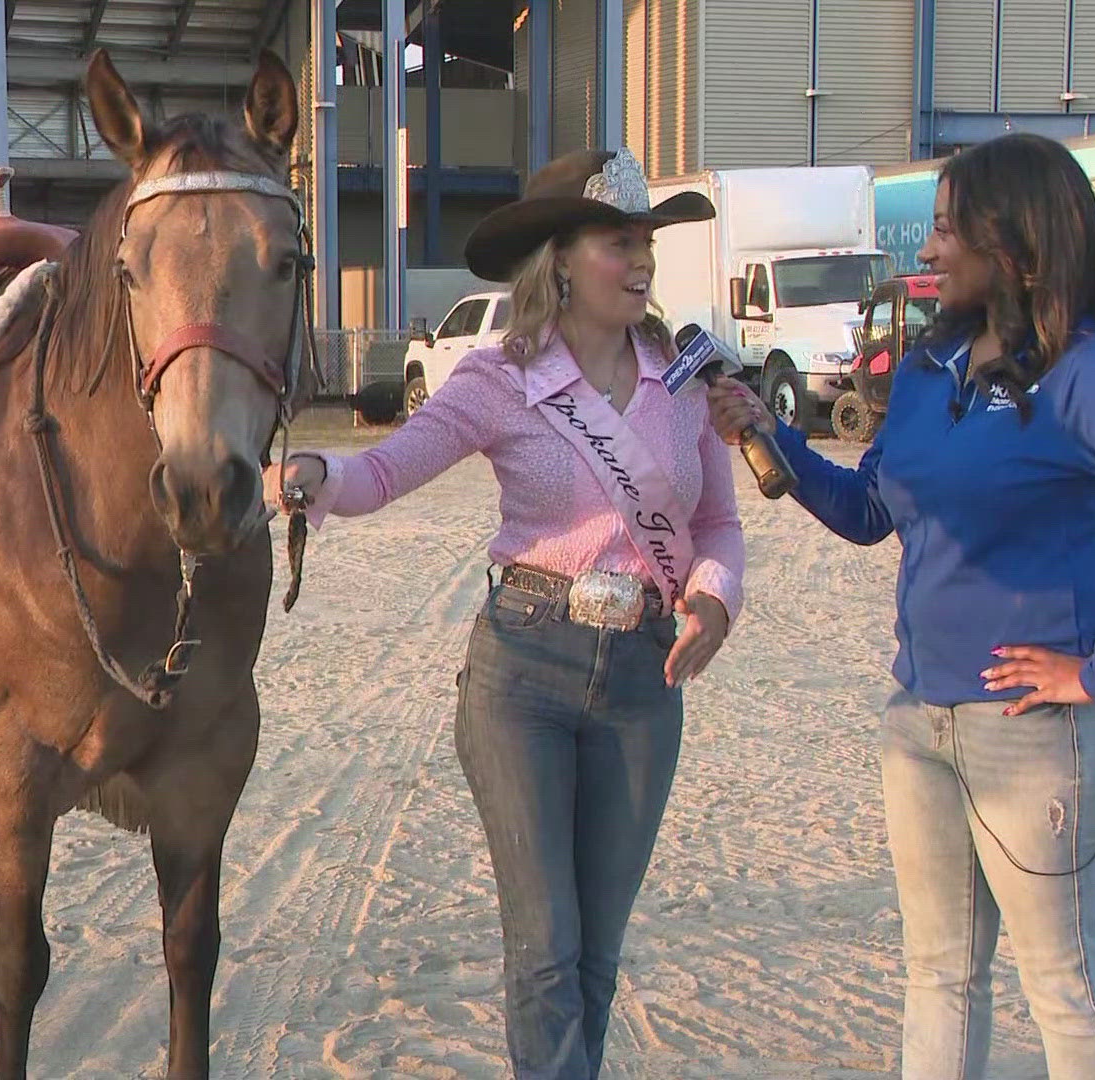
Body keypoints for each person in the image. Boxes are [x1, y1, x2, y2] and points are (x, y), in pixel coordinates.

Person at [708, 133, 1095, 1079]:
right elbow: (875, 511)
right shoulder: (925, 370)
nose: (928, 250)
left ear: (1018, 246)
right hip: (919, 721)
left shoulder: (1089, 369)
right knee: (939, 978)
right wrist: (770, 433)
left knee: (1063, 987)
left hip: (1036, 732)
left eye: (949, 230)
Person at [268, 148, 745, 1079]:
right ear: (560, 259)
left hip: (648, 675)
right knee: (546, 947)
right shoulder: (500, 377)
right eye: (619, 242)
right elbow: (388, 468)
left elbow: (718, 523)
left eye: (647, 239)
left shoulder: (683, 377)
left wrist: (714, 600)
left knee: (598, 954)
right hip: (524, 668)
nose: (642, 259)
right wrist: (318, 477)